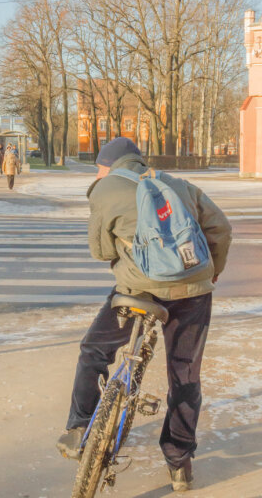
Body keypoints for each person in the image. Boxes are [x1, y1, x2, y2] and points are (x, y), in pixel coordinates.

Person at [56, 137, 232, 492]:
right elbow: (221, 230)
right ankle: (179, 462)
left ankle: (80, 427)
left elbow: (99, 249)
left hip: (139, 291)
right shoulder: (179, 184)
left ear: (110, 164)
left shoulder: (103, 190)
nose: (99, 172)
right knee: (184, 377)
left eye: (100, 166)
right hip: (193, 291)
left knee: (94, 350)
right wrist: (212, 272)